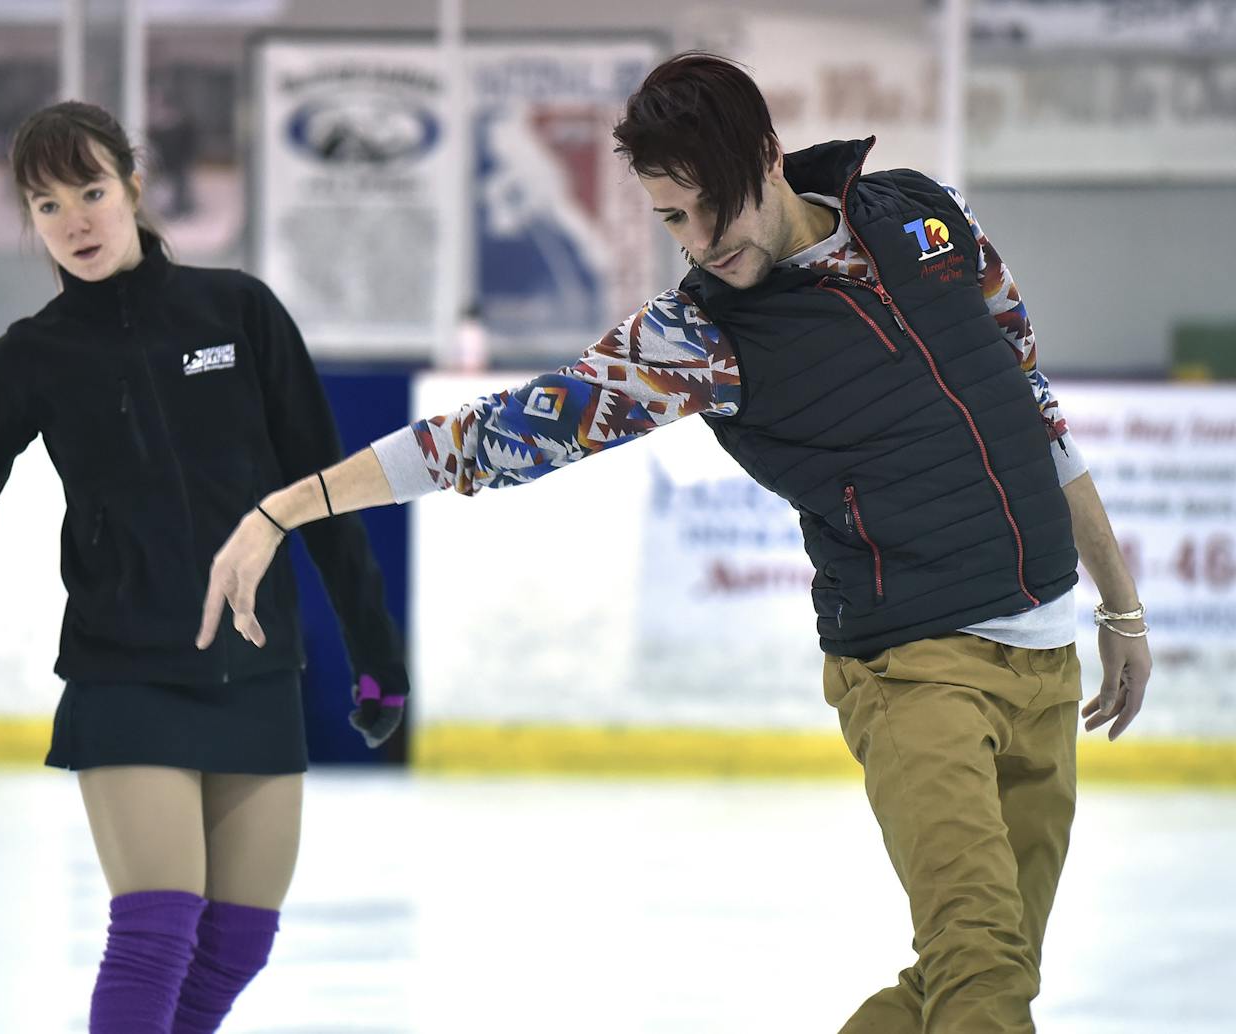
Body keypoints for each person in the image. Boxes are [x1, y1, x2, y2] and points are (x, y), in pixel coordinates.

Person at [199, 53, 1153, 1033]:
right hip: (912, 666)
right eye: (668, 219)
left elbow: (1030, 408)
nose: (698, 243)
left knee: (962, 981)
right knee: (982, 979)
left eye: (711, 207)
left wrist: (1115, 601)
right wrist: (290, 505)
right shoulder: (701, 334)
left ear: (768, 156)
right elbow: (505, 432)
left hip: (1044, 656)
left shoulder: (923, 214)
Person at [0, 100, 409, 1034]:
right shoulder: (34, 357)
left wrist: (374, 647)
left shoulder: (239, 310)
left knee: (237, 945)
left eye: (92, 191)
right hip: (126, 672)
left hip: (257, 670)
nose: (75, 221)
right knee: (155, 934)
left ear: (135, 187)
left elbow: (327, 488)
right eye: (47, 205)